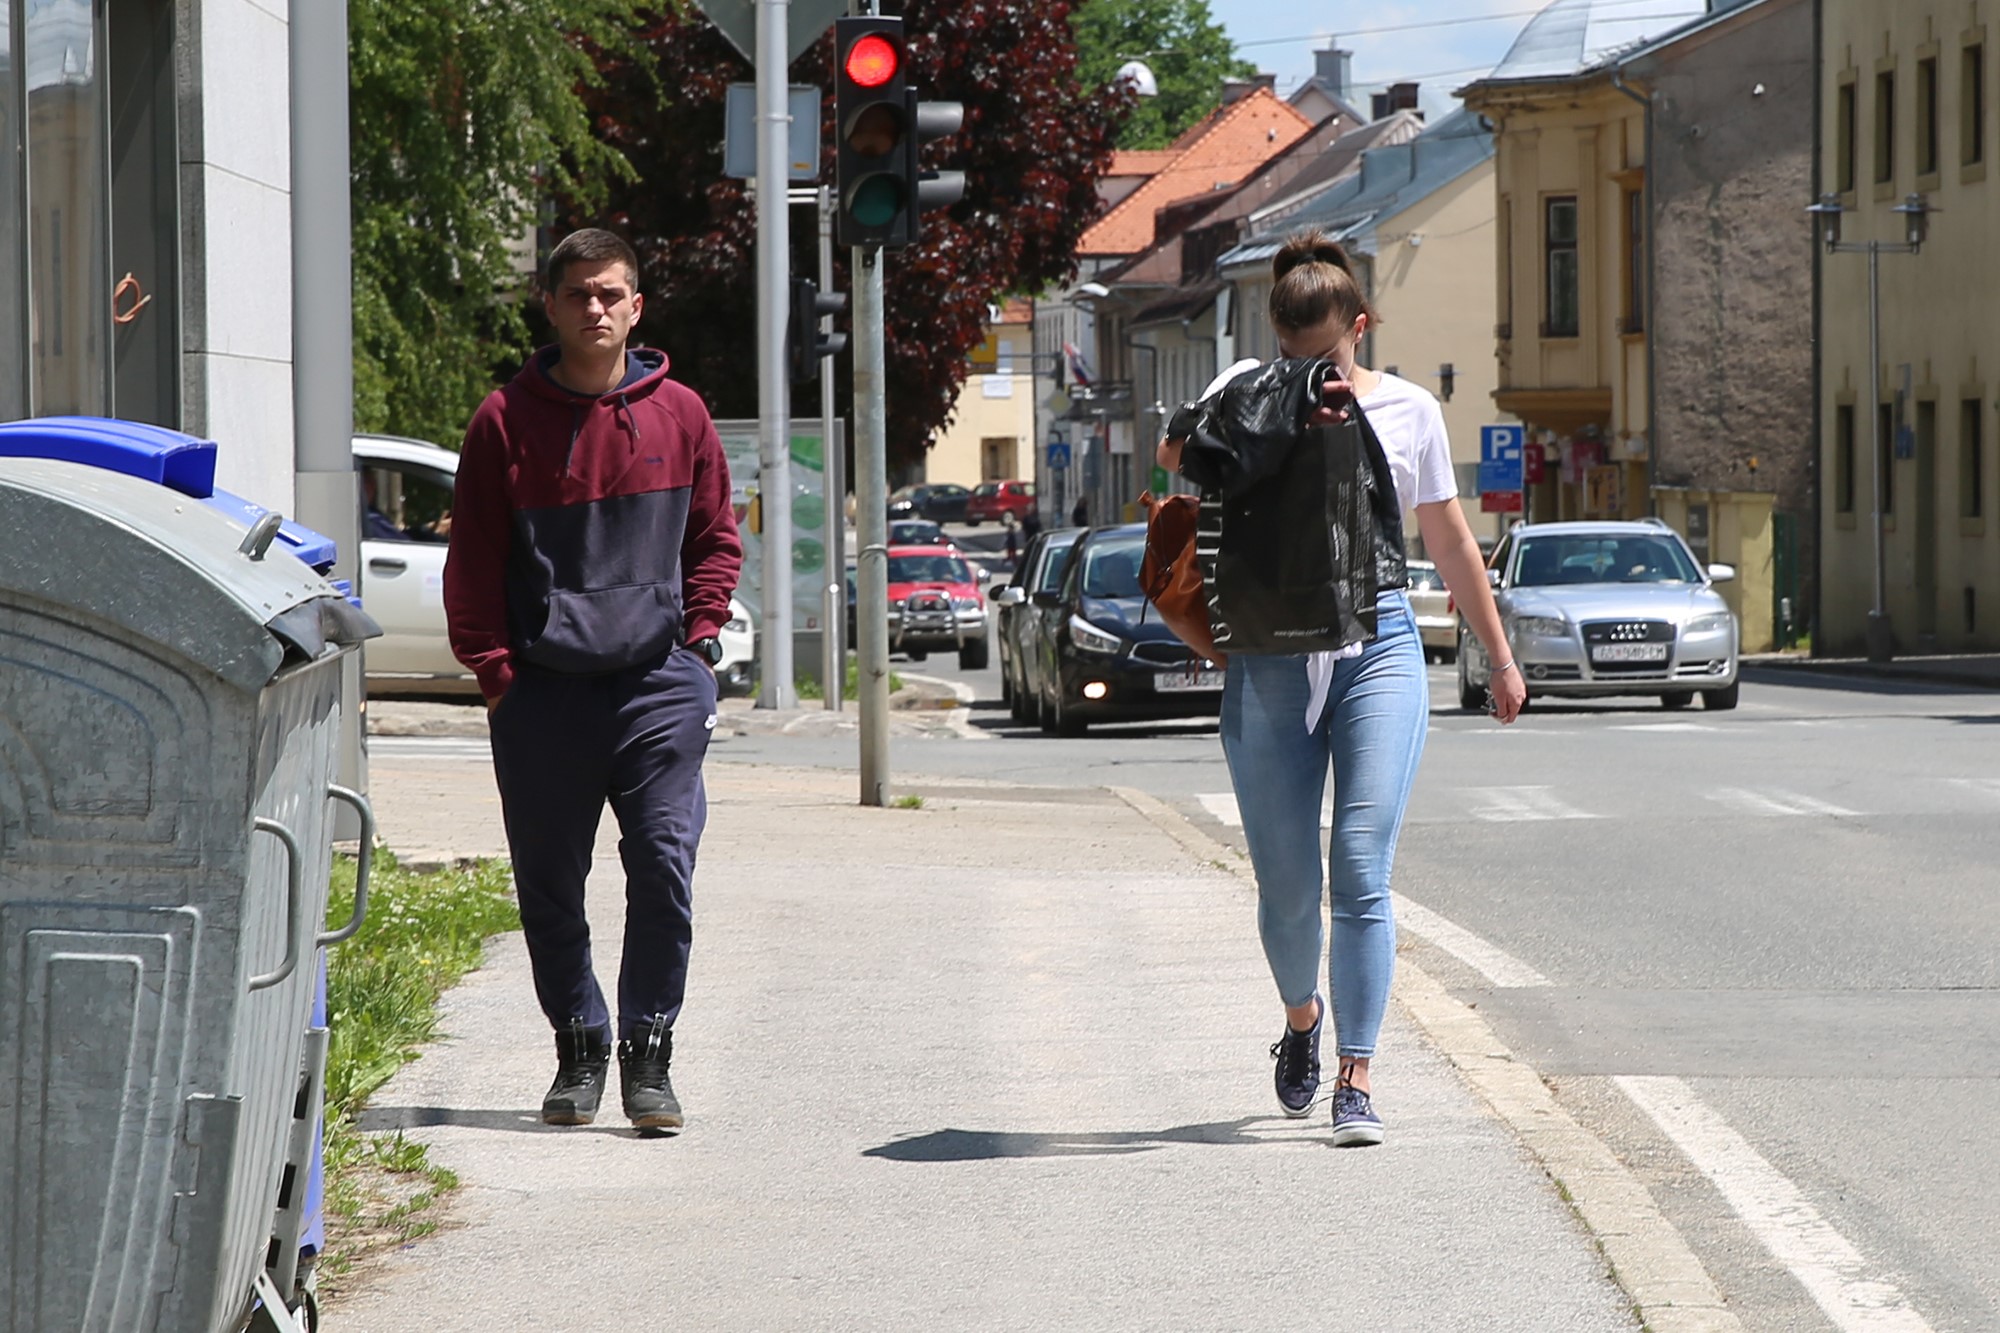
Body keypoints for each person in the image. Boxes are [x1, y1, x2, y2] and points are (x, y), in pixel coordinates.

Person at [1157, 229, 1524, 1146]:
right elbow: (1173, 457)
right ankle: (1303, 1019)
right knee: (1287, 886)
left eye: (1325, 353)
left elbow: (1449, 537)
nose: (1312, 368)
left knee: (1360, 864)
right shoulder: (1245, 387)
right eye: (1295, 351)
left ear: (1361, 327)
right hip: (1271, 651)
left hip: (1378, 638)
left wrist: (1499, 654)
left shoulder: (1409, 410)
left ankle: (1356, 1075)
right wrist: (1262, 403)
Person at [444, 228, 743, 1133]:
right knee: (549, 884)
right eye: (578, 293)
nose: (595, 308)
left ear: (636, 307)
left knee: (663, 864)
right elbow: (474, 561)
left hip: (658, 685)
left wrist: (699, 644)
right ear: (551, 304)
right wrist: (497, 675)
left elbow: (715, 539)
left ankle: (649, 1056)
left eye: (611, 293)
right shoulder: (503, 422)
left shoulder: (681, 414)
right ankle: (579, 1046)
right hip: (543, 693)